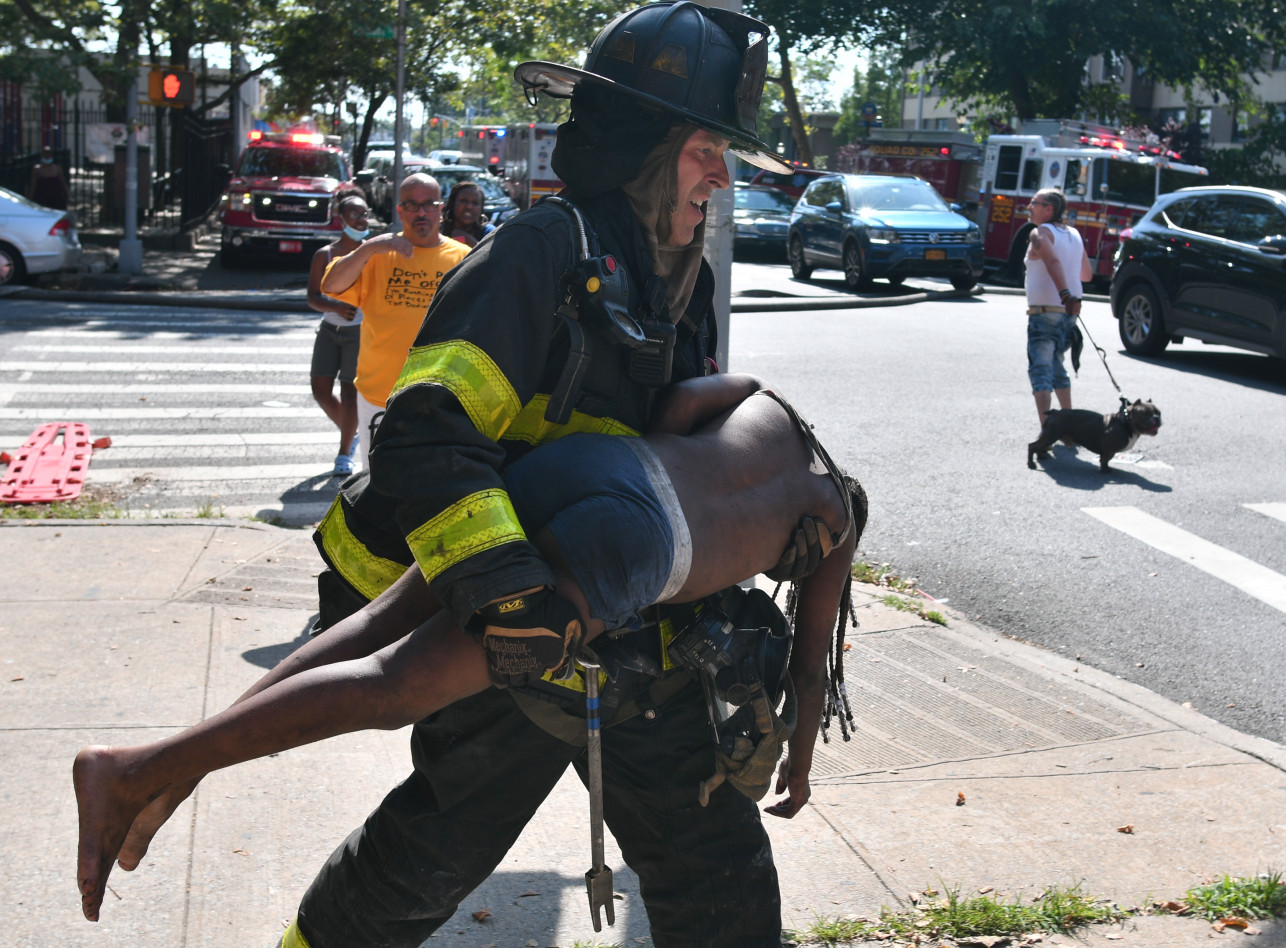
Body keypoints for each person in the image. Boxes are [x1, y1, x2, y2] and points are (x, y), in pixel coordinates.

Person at [278, 4, 801, 945]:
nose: (721, 176)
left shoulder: (684, 279)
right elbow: (426, 434)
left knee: (719, 873)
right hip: (499, 629)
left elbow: (664, 459)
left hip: (619, 629)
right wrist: (512, 600)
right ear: (645, 146)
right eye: (703, 149)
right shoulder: (537, 253)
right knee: (423, 860)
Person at [73, 373, 866, 927]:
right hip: (638, 546)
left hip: (590, 466)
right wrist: (798, 759)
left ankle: (179, 764)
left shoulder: (778, 415)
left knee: (373, 626)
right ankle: (131, 770)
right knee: (399, 683)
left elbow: (680, 399)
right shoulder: (835, 522)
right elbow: (808, 657)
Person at [320, 173, 469, 469]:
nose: (421, 213)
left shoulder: (463, 258)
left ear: (441, 209)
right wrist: (370, 247)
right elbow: (332, 286)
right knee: (376, 484)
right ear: (399, 210)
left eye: (429, 204)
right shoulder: (377, 254)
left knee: (428, 487)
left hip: (438, 399)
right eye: (412, 205)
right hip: (379, 394)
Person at [306, 191, 370, 476]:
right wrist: (333, 305)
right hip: (329, 330)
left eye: (364, 213)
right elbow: (312, 297)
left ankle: (344, 453)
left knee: (349, 393)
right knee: (320, 390)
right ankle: (351, 431)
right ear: (340, 218)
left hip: (358, 333)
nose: (361, 219)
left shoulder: (372, 253)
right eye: (355, 214)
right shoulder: (325, 254)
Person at [1025, 187, 1092, 428]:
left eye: (1034, 203)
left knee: (1041, 370)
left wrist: (1064, 293)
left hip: (1046, 311)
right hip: (1069, 313)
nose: (1029, 207)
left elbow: (1052, 261)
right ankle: (1069, 427)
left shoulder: (1040, 233)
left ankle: (1049, 430)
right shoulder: (1073, 233)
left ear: (1049, 209)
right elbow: (1086, 274)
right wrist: (1070, 292)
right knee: (1057, 368)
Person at [440, 180, 495, 248]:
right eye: (463, 201)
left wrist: (468, 240)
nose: (469, 206)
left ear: (481, 208)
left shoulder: (489, 232)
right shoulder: (438, 230)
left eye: (475, 203)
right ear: (452, 203)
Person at [28, 145, 69, 210]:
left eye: (49, 154)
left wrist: (68, 195)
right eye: (45, 154)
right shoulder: (37, 169)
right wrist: (30, 199)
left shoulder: (57, 168)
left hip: (56, 198)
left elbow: (63, 182)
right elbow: (33, 185)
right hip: (42, 199)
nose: (47, 156)